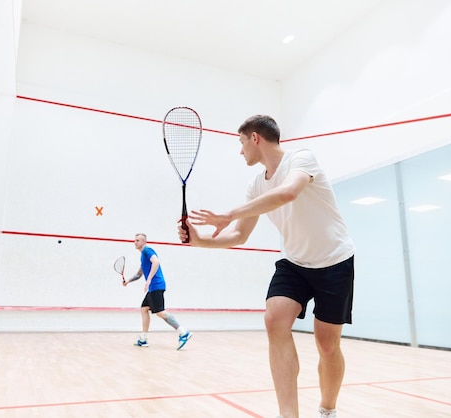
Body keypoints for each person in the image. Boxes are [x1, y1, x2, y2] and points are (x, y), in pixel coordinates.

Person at [177, 115, 355, 418]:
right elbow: (239, 235)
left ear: (255, 138)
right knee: (274, 319)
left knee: (327, 345)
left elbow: (288, 192)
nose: (240, 151)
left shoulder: (302, 158)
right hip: (295, 263)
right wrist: (200, 241)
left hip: (334, 261)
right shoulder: (256, 185)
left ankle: (328, 409)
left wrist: (228, 213)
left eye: (241, 142)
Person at [123, 233, 192, 350]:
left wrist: (149, 279)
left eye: (138, 240)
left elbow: (156, 262)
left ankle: (183, 332)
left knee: (160, 312)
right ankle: (143, 338)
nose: (135, 242)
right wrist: (128, 281)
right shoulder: (143, 256)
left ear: (144, 242)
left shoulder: (147, 250)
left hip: (156, 285)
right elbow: (139, 274)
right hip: (153, 287)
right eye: (134, 240)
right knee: (144, 309)